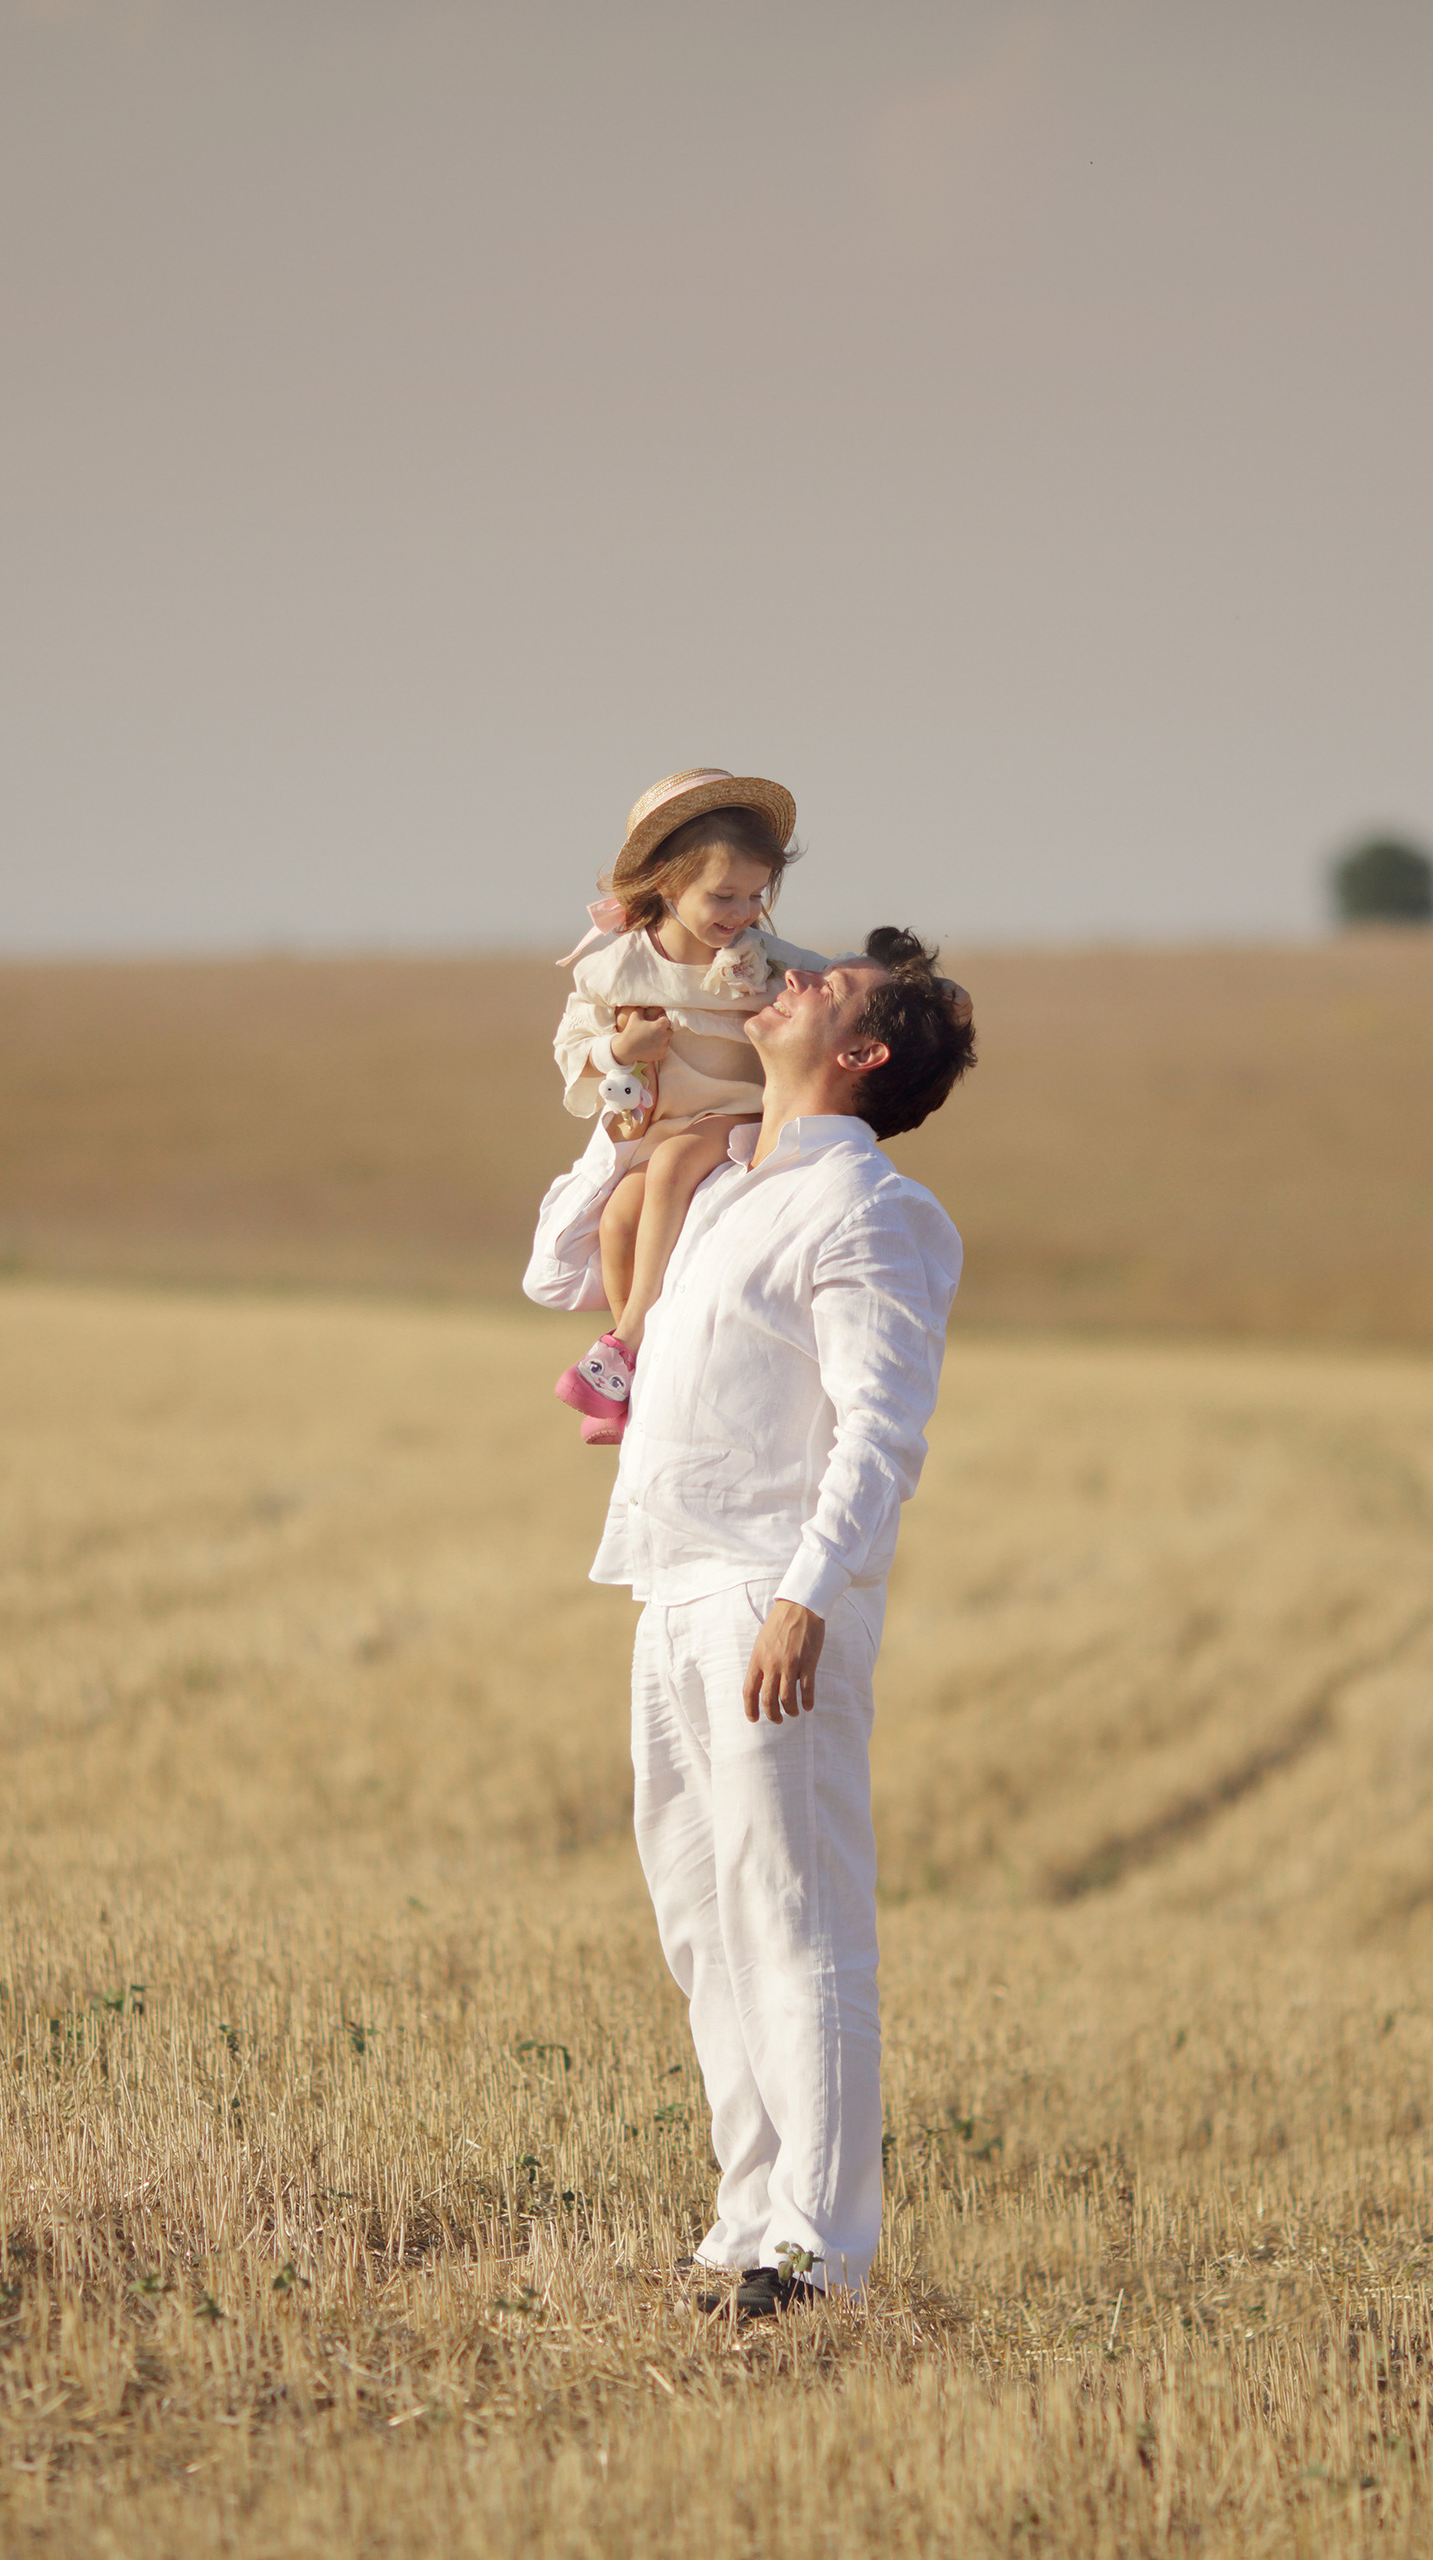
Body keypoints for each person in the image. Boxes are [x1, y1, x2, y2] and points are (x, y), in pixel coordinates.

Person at [592, 926, 977, 2318]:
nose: (792, 980)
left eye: (830, 989)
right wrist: (626, 1097)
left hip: (772, 1593)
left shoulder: (871, 1210)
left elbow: (881, 1426)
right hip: (668, 1584)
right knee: (704, 1921)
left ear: (862, 1053)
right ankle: (745, 2228)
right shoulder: (719, 1187)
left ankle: (819, 2259)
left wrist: (811, 1593)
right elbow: (556, 1278)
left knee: (799, 1920)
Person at [540, 768, 829, 1445]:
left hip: (740, 1118)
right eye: (723, 894)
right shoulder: (616, 969)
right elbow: (573, 1047)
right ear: (668, 884)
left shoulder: (767, 962)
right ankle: (631, 1377)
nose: (741, 911)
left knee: (672, 1166)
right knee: (618, 1218)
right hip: (659, 1124)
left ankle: (629, 1336)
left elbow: (837, 980)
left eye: (756, 894)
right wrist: (620, 1046)